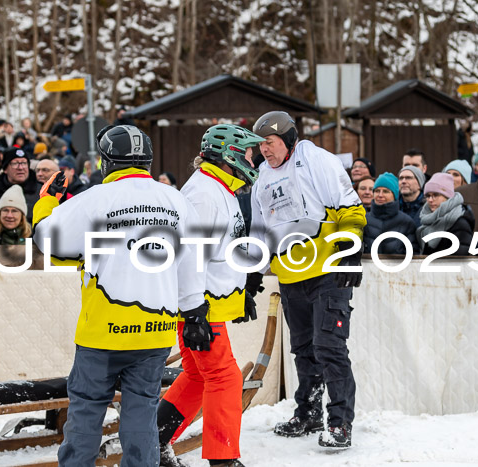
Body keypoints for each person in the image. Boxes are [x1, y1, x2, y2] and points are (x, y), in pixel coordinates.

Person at [33, 124, 206, 467]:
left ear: (107, 161)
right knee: (141, 415)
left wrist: (46, 203)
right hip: (155, 330)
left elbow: (47, 241)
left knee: (86, 413)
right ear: (147, 161)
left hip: (102, 332)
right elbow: (191, 266)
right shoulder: (176, 201)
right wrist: (194, 313)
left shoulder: (95, 198)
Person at [248, 111, 366, 448]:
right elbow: (260, 230)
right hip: (290, 275)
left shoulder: (316, 160)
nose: (264, 151)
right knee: (302, 349)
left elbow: (350, 207)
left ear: (287, 139)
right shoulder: (261, 177)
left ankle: (340, 422)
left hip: (328, 271)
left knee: (329, 347)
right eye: (260, 146)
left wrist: (351, 251)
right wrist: (254, 274)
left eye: (269, 143)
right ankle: (309, 412)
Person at [157, 125, 264, 467]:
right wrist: (193, 314)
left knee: (198, 375)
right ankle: (223, 460)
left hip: (209, 302)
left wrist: (242, 287)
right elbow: (189, 256)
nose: (253, 159)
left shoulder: (221, 188)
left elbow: (223, 248)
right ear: (229, 154)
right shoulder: (204, 194)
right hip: (199, 306)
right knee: (225, 377)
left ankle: (154, 441)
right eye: (248, 153)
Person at [416, 173, 474, 256]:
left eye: (435, 195)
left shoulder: (459, 222)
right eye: (428, 196)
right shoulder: (425, 219)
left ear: (447, 196)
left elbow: (460, 257)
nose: (430, 200)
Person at [363, 173, 417, 255]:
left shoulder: (406, 222)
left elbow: (414, 255)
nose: (380, 195)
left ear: (394, 195)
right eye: (377, 191)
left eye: (385, 191)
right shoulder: (364, 221)